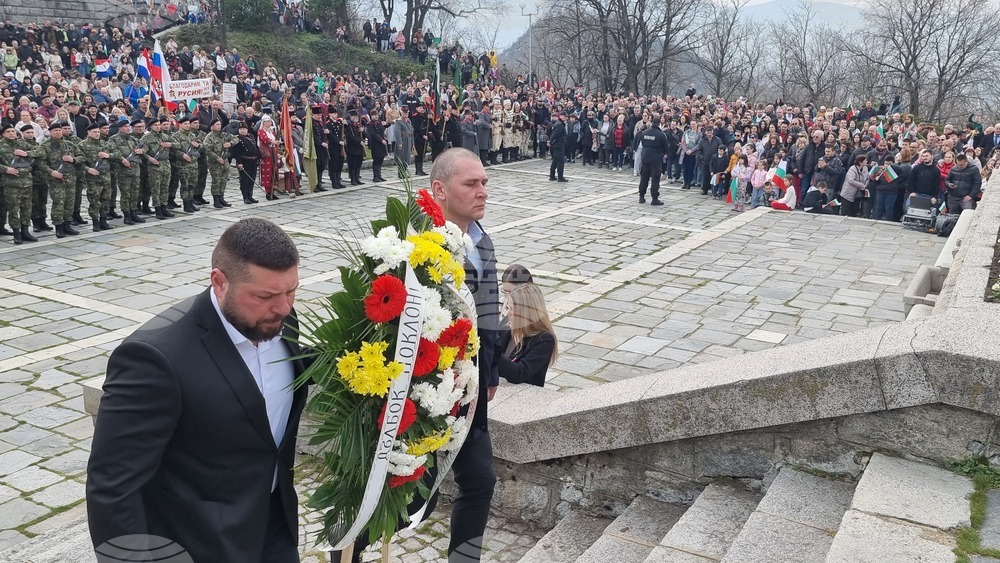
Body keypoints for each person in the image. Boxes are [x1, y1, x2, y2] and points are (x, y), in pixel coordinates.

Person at [87, 218, 309, 563]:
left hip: (276, 526)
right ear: (219, 282)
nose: (283, 307)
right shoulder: (154, 358)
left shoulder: (278, 318)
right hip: (198, 543)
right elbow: (113, 487)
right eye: (265, 295)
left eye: (291, 291)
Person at [431, 147, 500, 560]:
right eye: (471, 184)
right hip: (425, 391)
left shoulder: (481, 240)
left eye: (485, 183)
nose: (482, 192)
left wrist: (490, 375)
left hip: (472, 391)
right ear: (439, 189)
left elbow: (490, 317)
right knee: (403, 496)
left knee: (479, 482)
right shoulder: (413, 245)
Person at [498, 276, 557, 387]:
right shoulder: (506, 327)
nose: (508, 313)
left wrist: (492, 351)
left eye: (512, 309)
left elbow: (519, 373)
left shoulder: (544, 340)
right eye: (508, 308)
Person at [637, 116, 667, 206]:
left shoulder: (645, 132)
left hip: (645, 156)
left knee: (644, 177)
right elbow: (666, 147)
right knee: (655, 178)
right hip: (656, 158)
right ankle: (654, 198)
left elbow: (642, 140)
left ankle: (641, 196)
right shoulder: (661, 134)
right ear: (659, 124)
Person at [548, 111, 567, 182]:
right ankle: (560, 177)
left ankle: (552, 175)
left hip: (557, 144)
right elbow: (555, 135)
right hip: (558, 144)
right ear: (561, 116)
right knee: (560, 161)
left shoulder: (559, 123)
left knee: (555, 161)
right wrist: (550, 141)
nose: (566, 118)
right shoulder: (559, 125)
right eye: (565, 117)